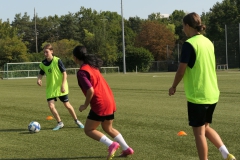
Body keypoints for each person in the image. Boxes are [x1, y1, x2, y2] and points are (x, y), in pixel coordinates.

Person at [168, 12, 236, 160]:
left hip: (198, 96)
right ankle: (226, 154)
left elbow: (181, 70)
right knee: (205, 128)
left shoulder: (189, 44)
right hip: (212, 93)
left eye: (183, 27)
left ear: (187, 26)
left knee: (199, 133)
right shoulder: (208, 42)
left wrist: (173, 86)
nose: (183, 30)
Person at [72, 45, 134, 160]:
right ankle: (126, 148)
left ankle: (111, 144)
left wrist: (85, 105)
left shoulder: (82, 72)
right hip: (109, 99)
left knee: (89, 130)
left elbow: (90, 90)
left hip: (100, 103)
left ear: (75, 58)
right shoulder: (93, 67)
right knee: (108, 128)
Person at [37, 43, 84, 131]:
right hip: (51, 88)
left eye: (46, 52)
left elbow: (65, 74)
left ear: (52, 51)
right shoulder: (43, 63)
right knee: (51, 106)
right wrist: (39, 79)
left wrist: (63, 85)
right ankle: (60, 122)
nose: (45, 54)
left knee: (67, 105)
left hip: (61, 87)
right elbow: (41, 73)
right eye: (44, 52)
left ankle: (77, 120)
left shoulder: (57, 60)